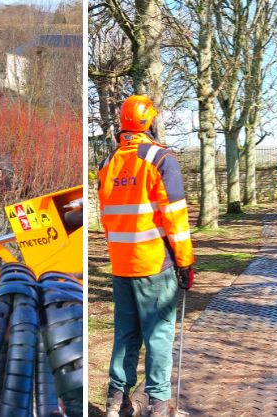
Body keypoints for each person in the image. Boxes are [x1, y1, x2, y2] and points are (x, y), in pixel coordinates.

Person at [99, 95, 195, 417]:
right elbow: (175, 220)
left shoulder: (107, 165)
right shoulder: (160, 160)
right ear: (151, 123)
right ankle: (158, 405)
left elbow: (108, 217)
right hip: (154, 264)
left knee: (125, 334)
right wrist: (185, 262)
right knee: (159, 334)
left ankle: (116, 402)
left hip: (121, 264)